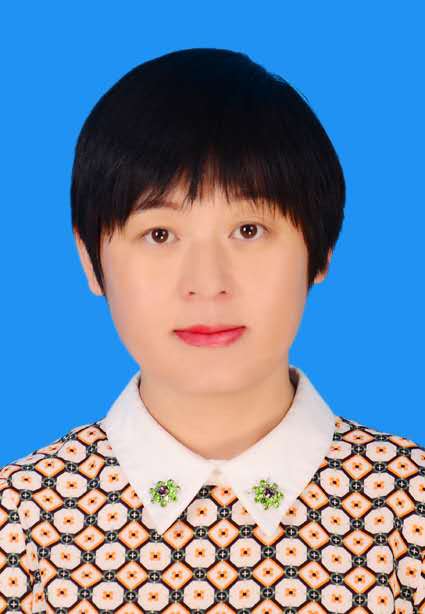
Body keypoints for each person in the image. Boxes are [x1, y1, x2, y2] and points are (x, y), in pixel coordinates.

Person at [1, 47, 424, 613]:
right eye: (159, 234)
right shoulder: (21, 522)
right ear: (89, 258)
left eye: (248, 230)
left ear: (320, 249)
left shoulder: (409, 511)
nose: (207, 284)